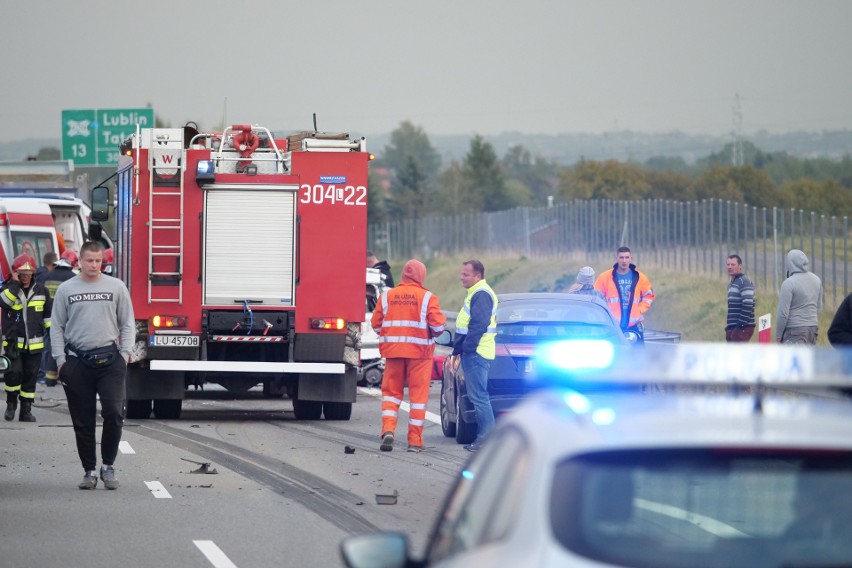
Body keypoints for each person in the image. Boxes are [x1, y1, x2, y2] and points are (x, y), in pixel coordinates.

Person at [51, 241, 136, 490]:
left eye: (98, 261)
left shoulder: (116, 287)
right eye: (90, 260)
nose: (94, 265)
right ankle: (89, 470)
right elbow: (57, 326)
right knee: (83, 420)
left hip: (110, 361)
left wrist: (125, 353)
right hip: (77, 362)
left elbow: (127, 323)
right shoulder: (67, 289)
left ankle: (108, 466)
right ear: (80, 260)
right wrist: (60, 360)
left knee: (113, 412)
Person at [371, 259, 446, 452]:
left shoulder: (388, 296)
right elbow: (438, 328)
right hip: (420, 355)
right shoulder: (428, 298)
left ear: (404, 274)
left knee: (391, 394)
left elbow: (376, 324)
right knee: (418, 398)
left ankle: (388, 430)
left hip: (394, 352)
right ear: (421, 275)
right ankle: (414, 441)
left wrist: (392, 336)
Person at [453, 260, 498, 452]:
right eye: (462, 274)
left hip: (477, 353)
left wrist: (468, 348)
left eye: (466, 274)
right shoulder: (477, 293)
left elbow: (478, 324)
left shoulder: (481, 294)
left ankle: (486, 440)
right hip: (477, 352)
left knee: (479, 397)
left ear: (477, 276)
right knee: (478, 396)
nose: (461, 277)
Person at [2, 254, 52, 422]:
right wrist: (15, 284)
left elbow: (47, 315)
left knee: (30, 377)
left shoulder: (41, 290)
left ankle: (26, 410)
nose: (25, 276)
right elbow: (4, 303)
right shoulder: (8, 290)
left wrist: (52, 334)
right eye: (22, 273)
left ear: (33, 273)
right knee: (13, 374)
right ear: (16, 273)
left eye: (28, 273)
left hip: (34, 344)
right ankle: (11, 404)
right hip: (13, 343)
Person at [594, 247, 655, 343]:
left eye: (627, 257)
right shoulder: (604, 277)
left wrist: (639, 310)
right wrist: (604, 313)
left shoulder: (639, 277)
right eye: (621, 257)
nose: (624, 261)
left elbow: (649, 295)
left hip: (633, 325)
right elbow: (596, 297)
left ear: (631, 258)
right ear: (616, 258)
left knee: (638, 354)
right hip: (612, 324)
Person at [41, 254, 78, 386]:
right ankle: (65, 375)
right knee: (67, 347)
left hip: (47, 316)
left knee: (50, 346)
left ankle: (48, 377)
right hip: (66, 319)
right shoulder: (73, 278)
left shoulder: (46, 276)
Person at [776, 249, 823, 345]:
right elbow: (819, 307)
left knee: (791, 360)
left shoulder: (788, 283)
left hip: (794, 331)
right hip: (813, 328)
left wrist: (779, 335)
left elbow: (783, 313)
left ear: (790, 264)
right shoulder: (817, 280)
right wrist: (809, 320)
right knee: (807, 359)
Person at [725, 254, 756, 343]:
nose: (729, 267)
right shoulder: (733, 283)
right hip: (733, 328)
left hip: (742, 328)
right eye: (728, 264)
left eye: (733, 264)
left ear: (740, 266)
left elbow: (748, 305)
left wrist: (738, 327)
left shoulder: (744, 281)